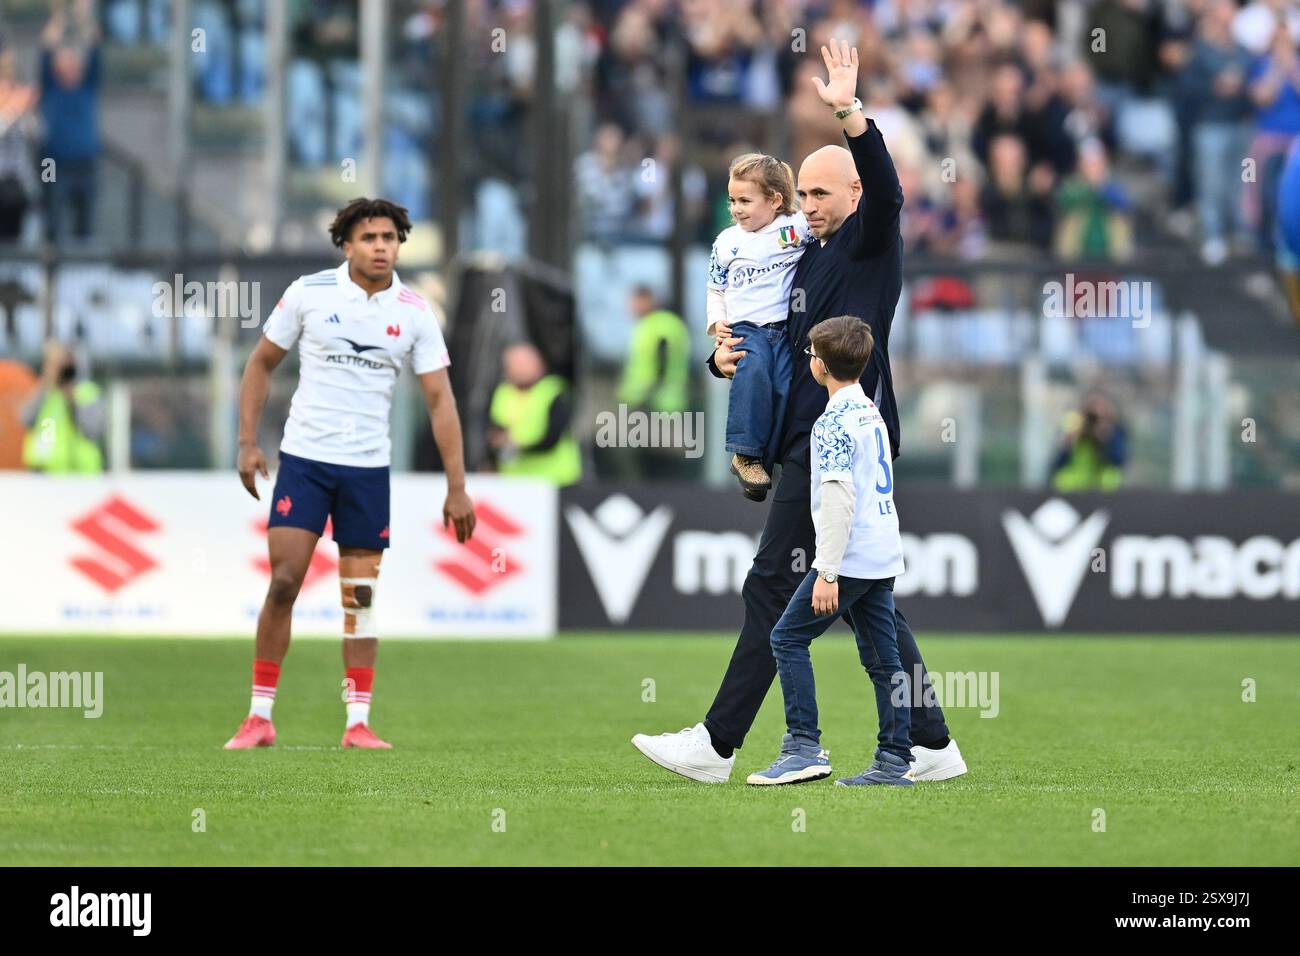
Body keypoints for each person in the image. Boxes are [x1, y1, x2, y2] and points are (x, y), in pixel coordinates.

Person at [632, 41, 966, 785]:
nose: (810, 205)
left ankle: (718, 746)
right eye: (804, 194)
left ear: (851, 196)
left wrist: (851, 114)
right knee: (867, 599)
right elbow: (766, 336)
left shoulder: (870, 241)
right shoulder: (804, 256)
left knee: (771, 586)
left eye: (823, 194)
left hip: (835, 441)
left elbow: (887, 190)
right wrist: (720, 358)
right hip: (807, 438)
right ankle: (933, 741)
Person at [225, 197, 477, 751]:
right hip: (305, 462)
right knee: (285, 580)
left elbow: (440, 402)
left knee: (359, 596)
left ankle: (357, 723)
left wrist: (456, 487)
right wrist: (247, 443)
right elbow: (260, 362)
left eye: (390, 237)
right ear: (347, 244)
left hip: (366, 469)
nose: (381, 246)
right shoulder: (309, 293)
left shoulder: (414, 312)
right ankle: (259, 716)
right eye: (369, 238)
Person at [747, 316, 914, 788]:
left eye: (810, 356)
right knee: (885, 659)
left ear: (820, 365)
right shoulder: (870, 411)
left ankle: (803, 746)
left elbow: (839, 498)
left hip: (853, 555)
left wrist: (827, 571)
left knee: (786, 638)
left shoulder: (833, 422)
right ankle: (895, 759)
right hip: (882, 549)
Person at [707, 152, 811, 499]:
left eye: (745, 201)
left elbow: (829, 220)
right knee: (753, 374)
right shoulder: (726, 242)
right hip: (746, 328)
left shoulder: (795, 227)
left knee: (783, 384)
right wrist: (716, 323)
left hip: (782, 329)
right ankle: (745, 453)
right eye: (732, 200)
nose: (736, 209)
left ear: (775, 200)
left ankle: (765, 462)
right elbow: (715, 287)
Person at [40, 1, 102, 242]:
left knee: (84, 227)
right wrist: (58, 15)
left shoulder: (87, 86)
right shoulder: (51, 87)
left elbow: (95, 48)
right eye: (64, 61)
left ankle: (82, 275)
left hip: (85, 164)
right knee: (53, 222)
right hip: (56, 164)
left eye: (73, 61)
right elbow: (47, 47)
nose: (70, 65)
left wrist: (84, 17)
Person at [615, 285, 692, 478]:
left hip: (656, 405)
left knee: (655, 462)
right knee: (656, 462)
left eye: (636, 301)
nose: (631, 307)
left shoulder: (660, 325)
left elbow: (661, 364)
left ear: (649, 300)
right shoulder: (656, 324)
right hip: (656, 404)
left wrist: (646, 396)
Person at [488, 342, 582, 487]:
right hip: (515, 482)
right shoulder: (503, 393)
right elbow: (494, 431)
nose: (518, 369)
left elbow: (552, 437)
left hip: (556, 480)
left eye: (523, 363)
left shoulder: (552, 391)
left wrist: (517, 446)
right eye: (513, 364)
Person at [20, 341, 104, 474]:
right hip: (45, 471)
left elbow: (92, 430)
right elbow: (26, 419)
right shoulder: (44, 391)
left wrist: (73, 401)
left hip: (80, 473)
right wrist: (46, 384)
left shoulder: (87, 392)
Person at [1051, 394, 1128, 491]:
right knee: (1062, 480)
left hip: (1101, 480)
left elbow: (1117, 460)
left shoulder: (1114, 429)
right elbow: (1058, 463)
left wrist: (1106, 439)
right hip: (1075, 481)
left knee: (1110, 478)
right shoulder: (1074, 425)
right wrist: (1072, 439)